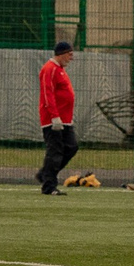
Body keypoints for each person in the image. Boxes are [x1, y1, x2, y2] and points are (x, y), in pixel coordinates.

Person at [36, 40, 79, 195]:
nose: (71, 58)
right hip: (53, 120)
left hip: (65, 120)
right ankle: (48, 186)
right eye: (69, 54)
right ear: (61, 54)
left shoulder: (59, 69)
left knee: (71, 147)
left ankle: (45, 174)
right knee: (55, 151)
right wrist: (54, 117)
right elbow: (48, 93)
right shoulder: (50, 69)